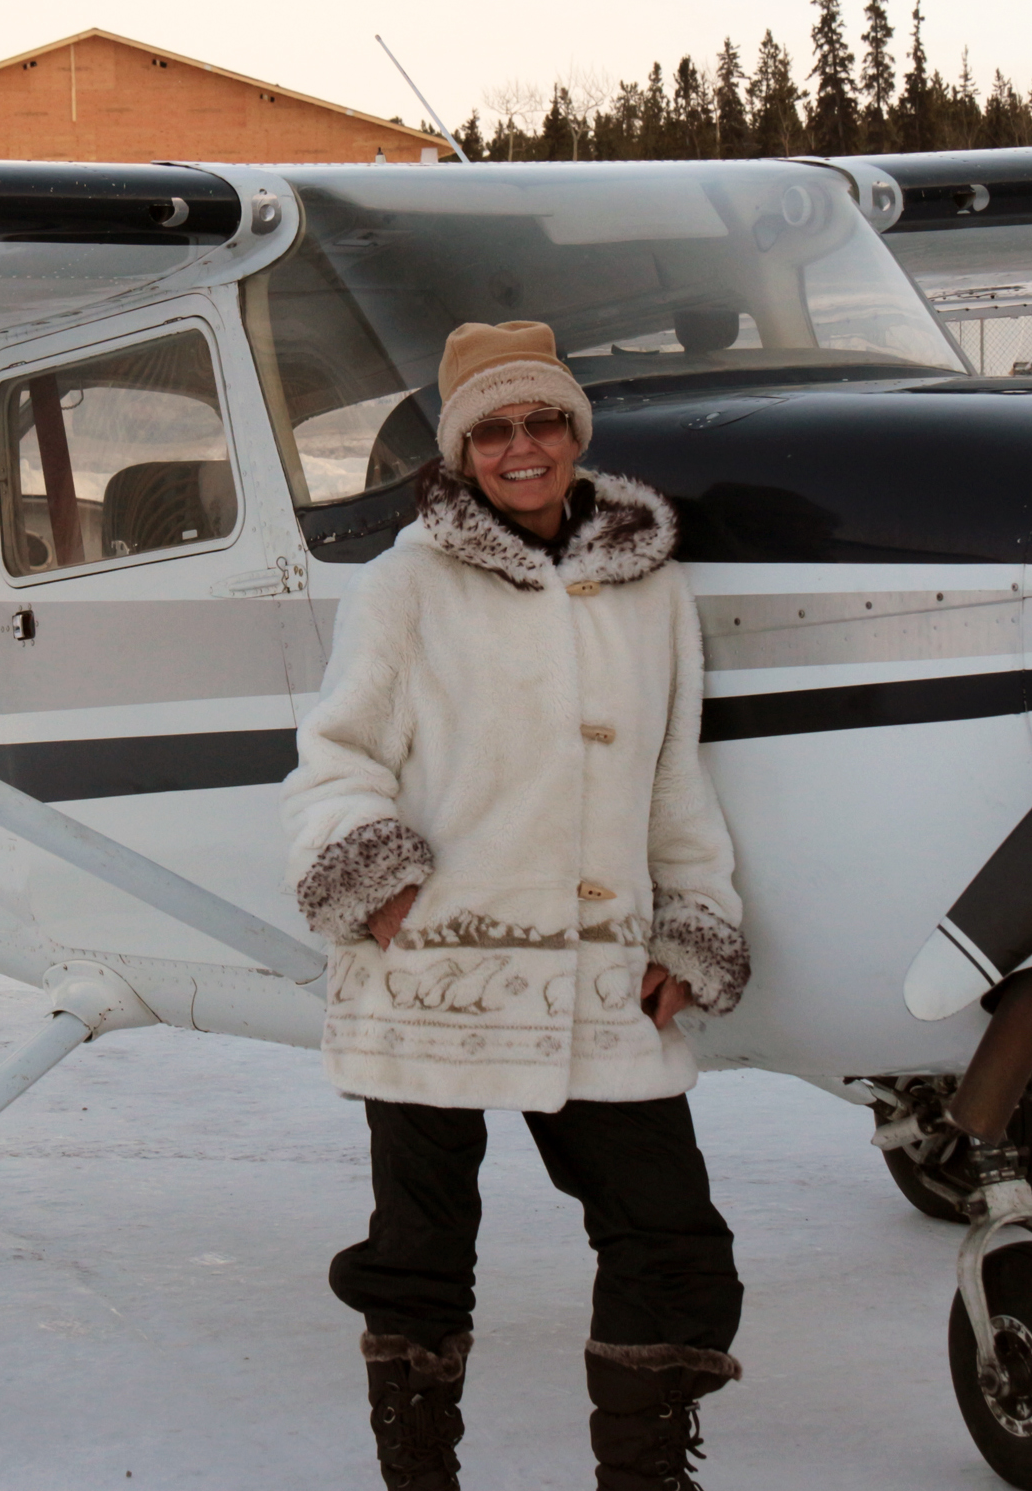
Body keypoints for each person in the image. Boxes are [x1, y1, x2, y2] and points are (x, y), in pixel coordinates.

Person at [281, 320, 750, 1491]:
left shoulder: (650, 588)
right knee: (420, 1255)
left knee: (670, 1237)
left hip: (599, 974)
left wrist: (690, 923)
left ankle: (643, 1476)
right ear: (460, 450)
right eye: (491, 430)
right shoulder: (403, 582)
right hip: (437, 966)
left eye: (541, 422)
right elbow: (335, 759)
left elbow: (672, 782)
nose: (520, 447)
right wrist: (376, 884)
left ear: (575, 433)